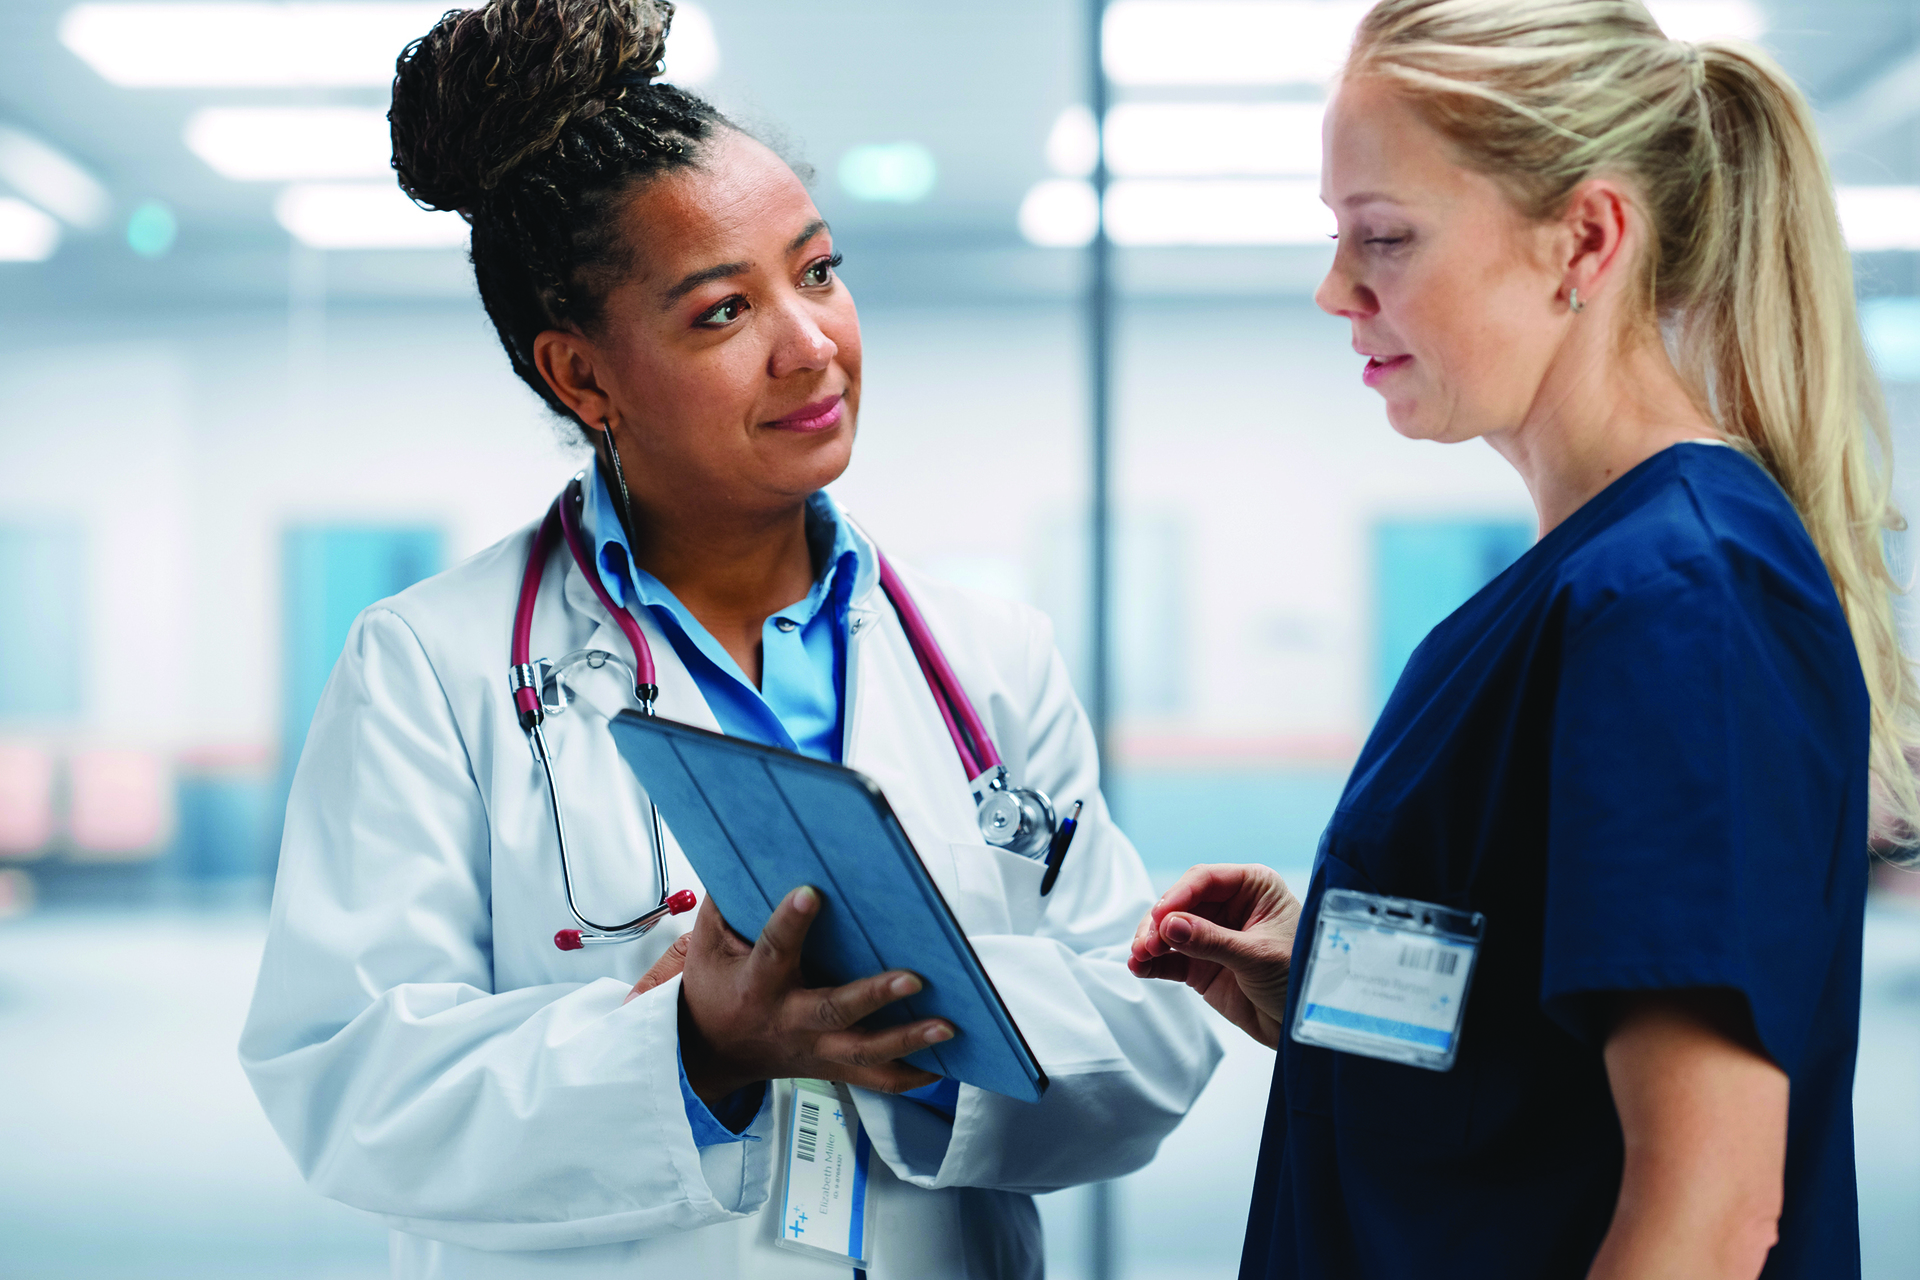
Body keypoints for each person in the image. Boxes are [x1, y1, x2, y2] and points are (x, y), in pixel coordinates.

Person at [238, 2, 1220, 1276]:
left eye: (817, 270)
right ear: (582, 377)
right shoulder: (434, 665)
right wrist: (698, 1048)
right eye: (720, 313)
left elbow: (1146, 1032)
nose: (812, 344)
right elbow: (352, 1084)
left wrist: (904, 1024)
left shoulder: (988, 655)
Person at [1130, 2, 1916, 1277]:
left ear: (1587, 239)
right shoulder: (1587, 582)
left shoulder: (1680, 597)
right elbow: (1546, 1046)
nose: (1338, 289)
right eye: (1339, 238)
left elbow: (1707, 1218)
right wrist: (1330, 985)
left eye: (1384, 236)